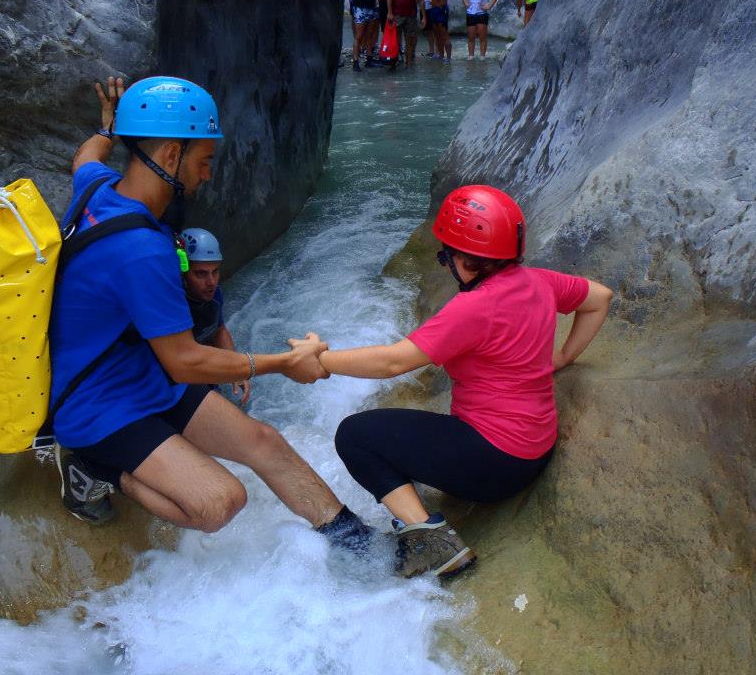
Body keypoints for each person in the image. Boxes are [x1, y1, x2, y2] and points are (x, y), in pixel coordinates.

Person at [51, 75, 374, 556]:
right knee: (221, 502)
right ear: (170, 157)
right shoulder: (142, 252)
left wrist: (108, 130)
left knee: (264, 441)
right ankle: (96, 470)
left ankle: (358, 544)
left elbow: (86, 158)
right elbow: (186, 363)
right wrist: (283, 363)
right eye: (204, 161)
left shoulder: (98, 189)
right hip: (100, 406)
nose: (207, 175)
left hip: (139, 375)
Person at [314, 185, 612, 578]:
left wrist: (320, 362)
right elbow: (600, 297)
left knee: (355, 435)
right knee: (403, 433)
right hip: (532, 450)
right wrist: (562, 357)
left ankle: (433, 545)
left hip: (493, 464)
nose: (445, 265)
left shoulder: (474, 308)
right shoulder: (539, 281)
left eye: (445, 256)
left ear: (464, 261)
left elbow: (392, 362)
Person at [178, 227, 250, 406]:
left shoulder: (215, 295)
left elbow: (219, 330)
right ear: (183, 273)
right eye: (201, 273)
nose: (211, 282)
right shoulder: (173, 305)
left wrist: (236, 370)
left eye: (215, 271)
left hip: (204, 375)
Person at [387, 0, 426, 69]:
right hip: (397, 13)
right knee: (396, 38)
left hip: (411, 15)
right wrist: (389, 12)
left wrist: (424, 17)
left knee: (410, 39)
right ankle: (395, 60)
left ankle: (408, 63)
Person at [351, 0, 386, 71]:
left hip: (372, 6)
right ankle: (355, 62)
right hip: (360, 7)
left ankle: (369, 59)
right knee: (359, 36)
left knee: (370, 34)